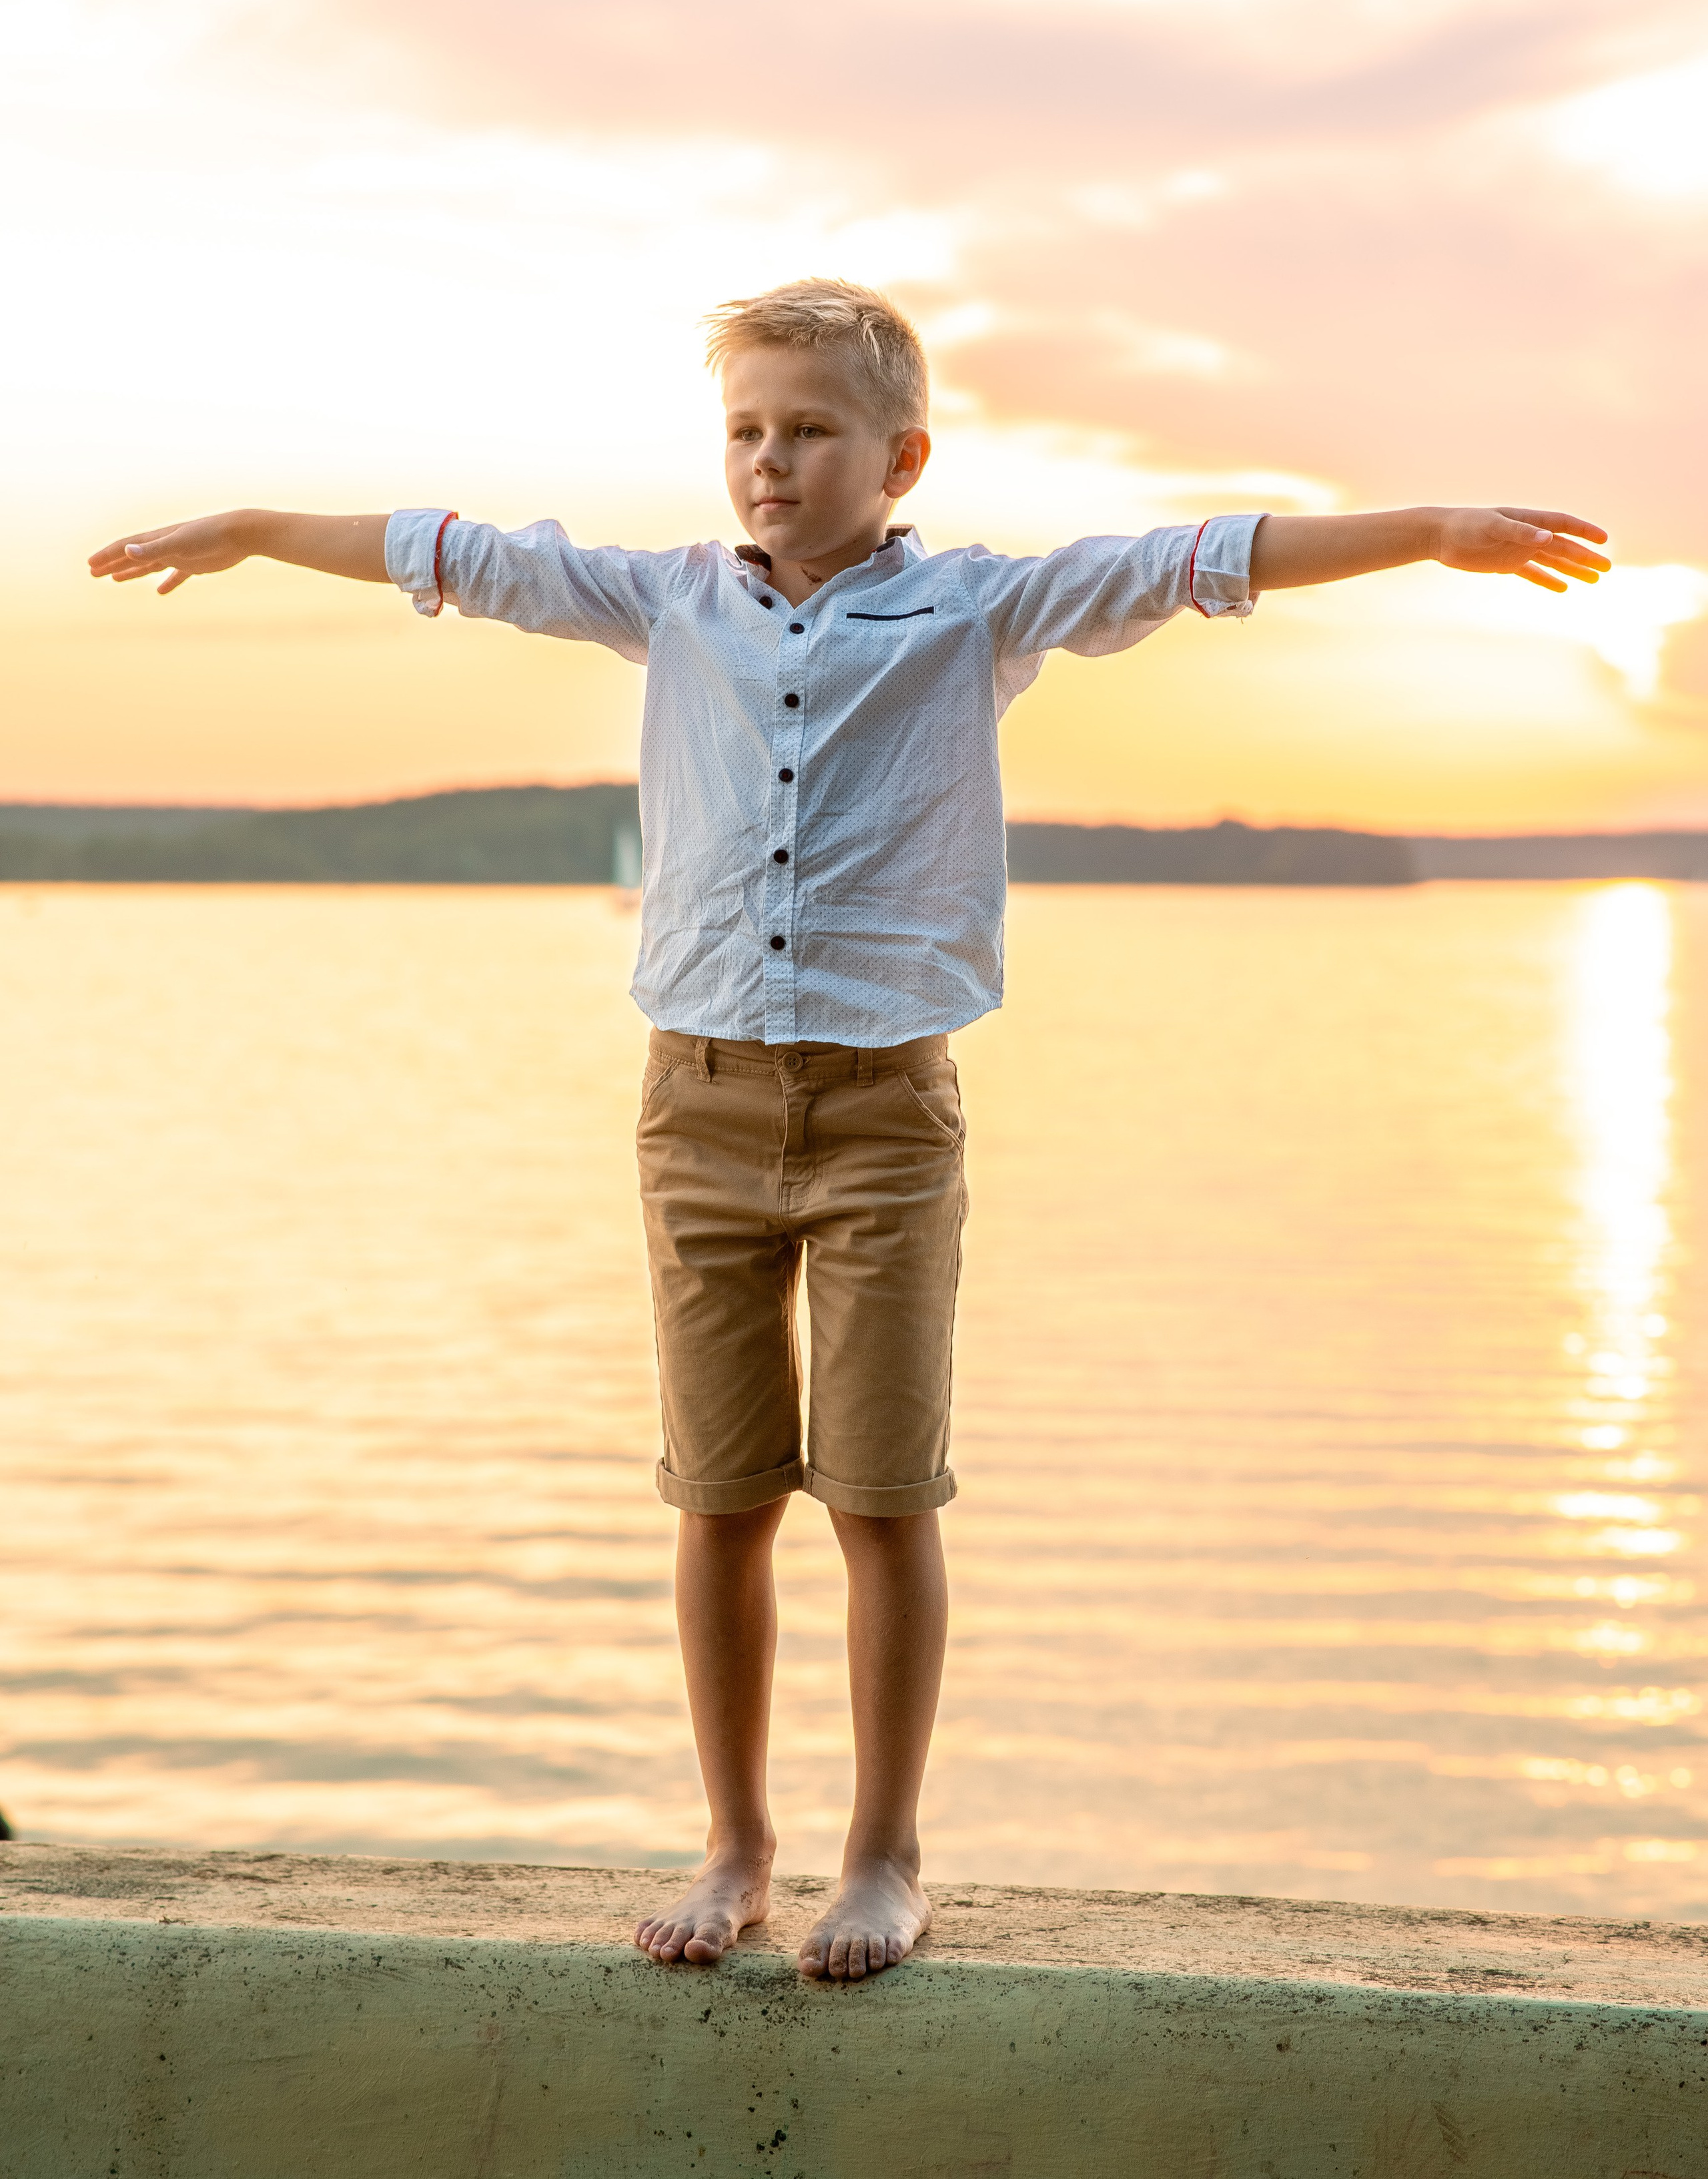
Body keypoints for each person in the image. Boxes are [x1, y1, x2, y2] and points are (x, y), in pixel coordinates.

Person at [89, 276, 1610, 1983]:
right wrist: (249, 526)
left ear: (901, 455)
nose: (767, 460)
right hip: (697, 1104)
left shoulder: (978, 610)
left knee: (881, 1495)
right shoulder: (665, 603)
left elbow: (1203, 554)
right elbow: (458, 549)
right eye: (744, 430)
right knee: (719, 1494)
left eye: (807, 431)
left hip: (889, 1113)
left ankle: (882, 1853)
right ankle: (736, 1841)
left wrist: (1432, 531)